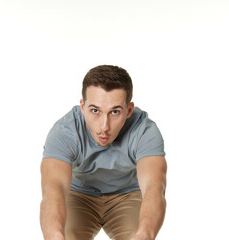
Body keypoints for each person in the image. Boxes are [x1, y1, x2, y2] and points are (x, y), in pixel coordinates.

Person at [40, 65, 167, 240]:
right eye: (95, 111)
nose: (104, 127)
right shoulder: (64, 131)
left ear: (129, 110)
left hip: (127, 195)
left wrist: (144, 235)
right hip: (79, 195)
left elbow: (154, 186)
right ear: (83, 107)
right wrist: (54, 236)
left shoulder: (144, 131)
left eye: (115, 112)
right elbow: (53, 188)